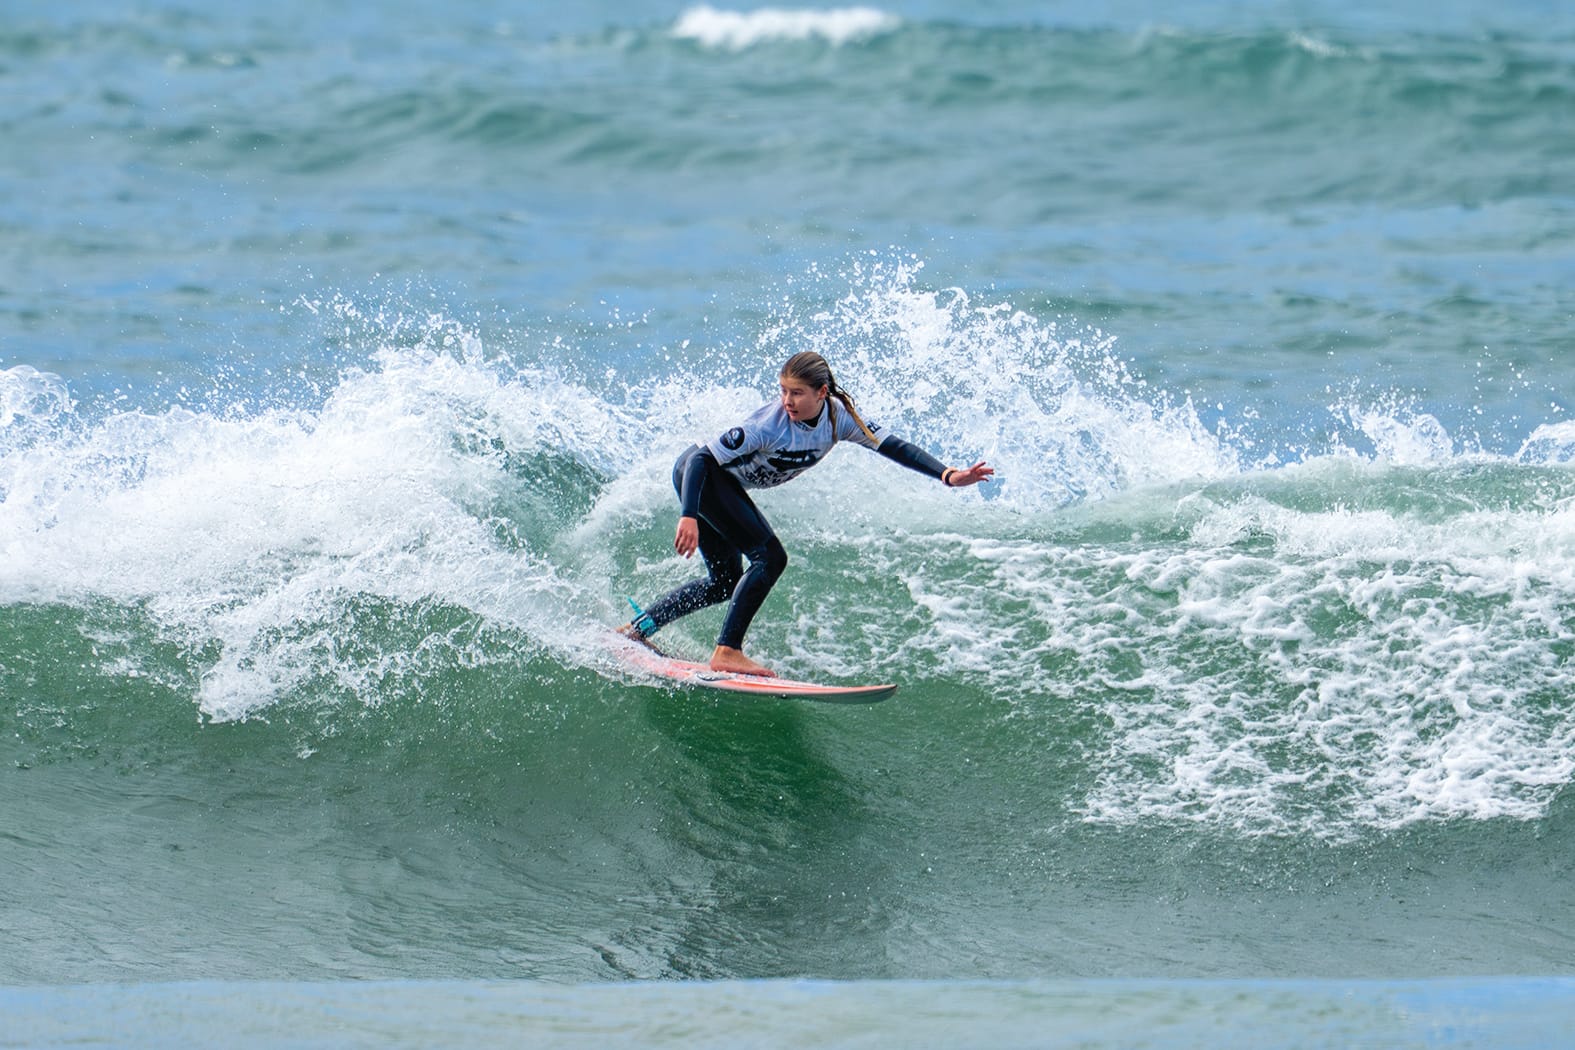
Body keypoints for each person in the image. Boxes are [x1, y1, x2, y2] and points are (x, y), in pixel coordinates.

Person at [619, 351, 992, 677]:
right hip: (698, 478)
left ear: (821, 393)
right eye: (783, 391)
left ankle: (637, 629)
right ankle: (727, 651)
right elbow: (701, 457)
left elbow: (893, 446)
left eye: (796, 393)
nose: (787, 401)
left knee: (724, 581)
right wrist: (688, 514)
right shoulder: (768, 425)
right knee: (771, 558)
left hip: (713, 486)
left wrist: (947, 475)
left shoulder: (839, 419)